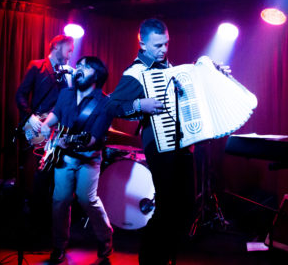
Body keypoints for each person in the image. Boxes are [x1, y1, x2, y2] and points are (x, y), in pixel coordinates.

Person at [106, 18, 196, 265]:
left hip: (181, 145)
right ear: (142, 44)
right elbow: (111, 105)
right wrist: (139, 105)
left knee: (186, 204)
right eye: (157, 45)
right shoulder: (136, 73)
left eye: (166, 43)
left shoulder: (170, 67)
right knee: (166, 206)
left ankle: (164, 256)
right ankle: (150, 260)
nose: (163, 49)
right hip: (157, 143)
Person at [39, 56, 114, 265]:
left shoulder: (105, 104)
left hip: (89, 158)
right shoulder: (66, 93)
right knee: (60, 200)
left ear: (96, 75)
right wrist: (46, 125)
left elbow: (92, 139)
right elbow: (56, 114)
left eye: (86, 67)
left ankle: (105, 237)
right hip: (64, 157)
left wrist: (69, 142)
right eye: (79, 65)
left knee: (87, 199)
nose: (79, 68)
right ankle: (59, 245)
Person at [14, 35, 75, 233]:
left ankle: (50, 223)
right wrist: (29, 116)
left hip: (58, 130)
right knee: (38, 173)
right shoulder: (37, 65)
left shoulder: (67, 72)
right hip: (38, 127)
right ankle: (35, 221)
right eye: (69, 48)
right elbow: (21, 94)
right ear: (56, 46)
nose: (71, 53)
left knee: (54, 175)